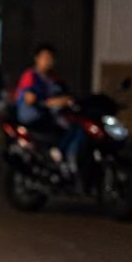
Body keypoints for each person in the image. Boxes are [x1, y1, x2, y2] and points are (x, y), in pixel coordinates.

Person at [14, 43, 82, 176]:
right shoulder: (31, 76)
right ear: (37, 58)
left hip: (48, 115)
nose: (48, 61)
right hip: (34, 117)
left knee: (76, 126)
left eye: (51, 58)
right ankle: (60, 154)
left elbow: (65, 93)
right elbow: (30, 99)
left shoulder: (53, 78)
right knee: (69, 127)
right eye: (45, 57)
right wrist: (53, 102)